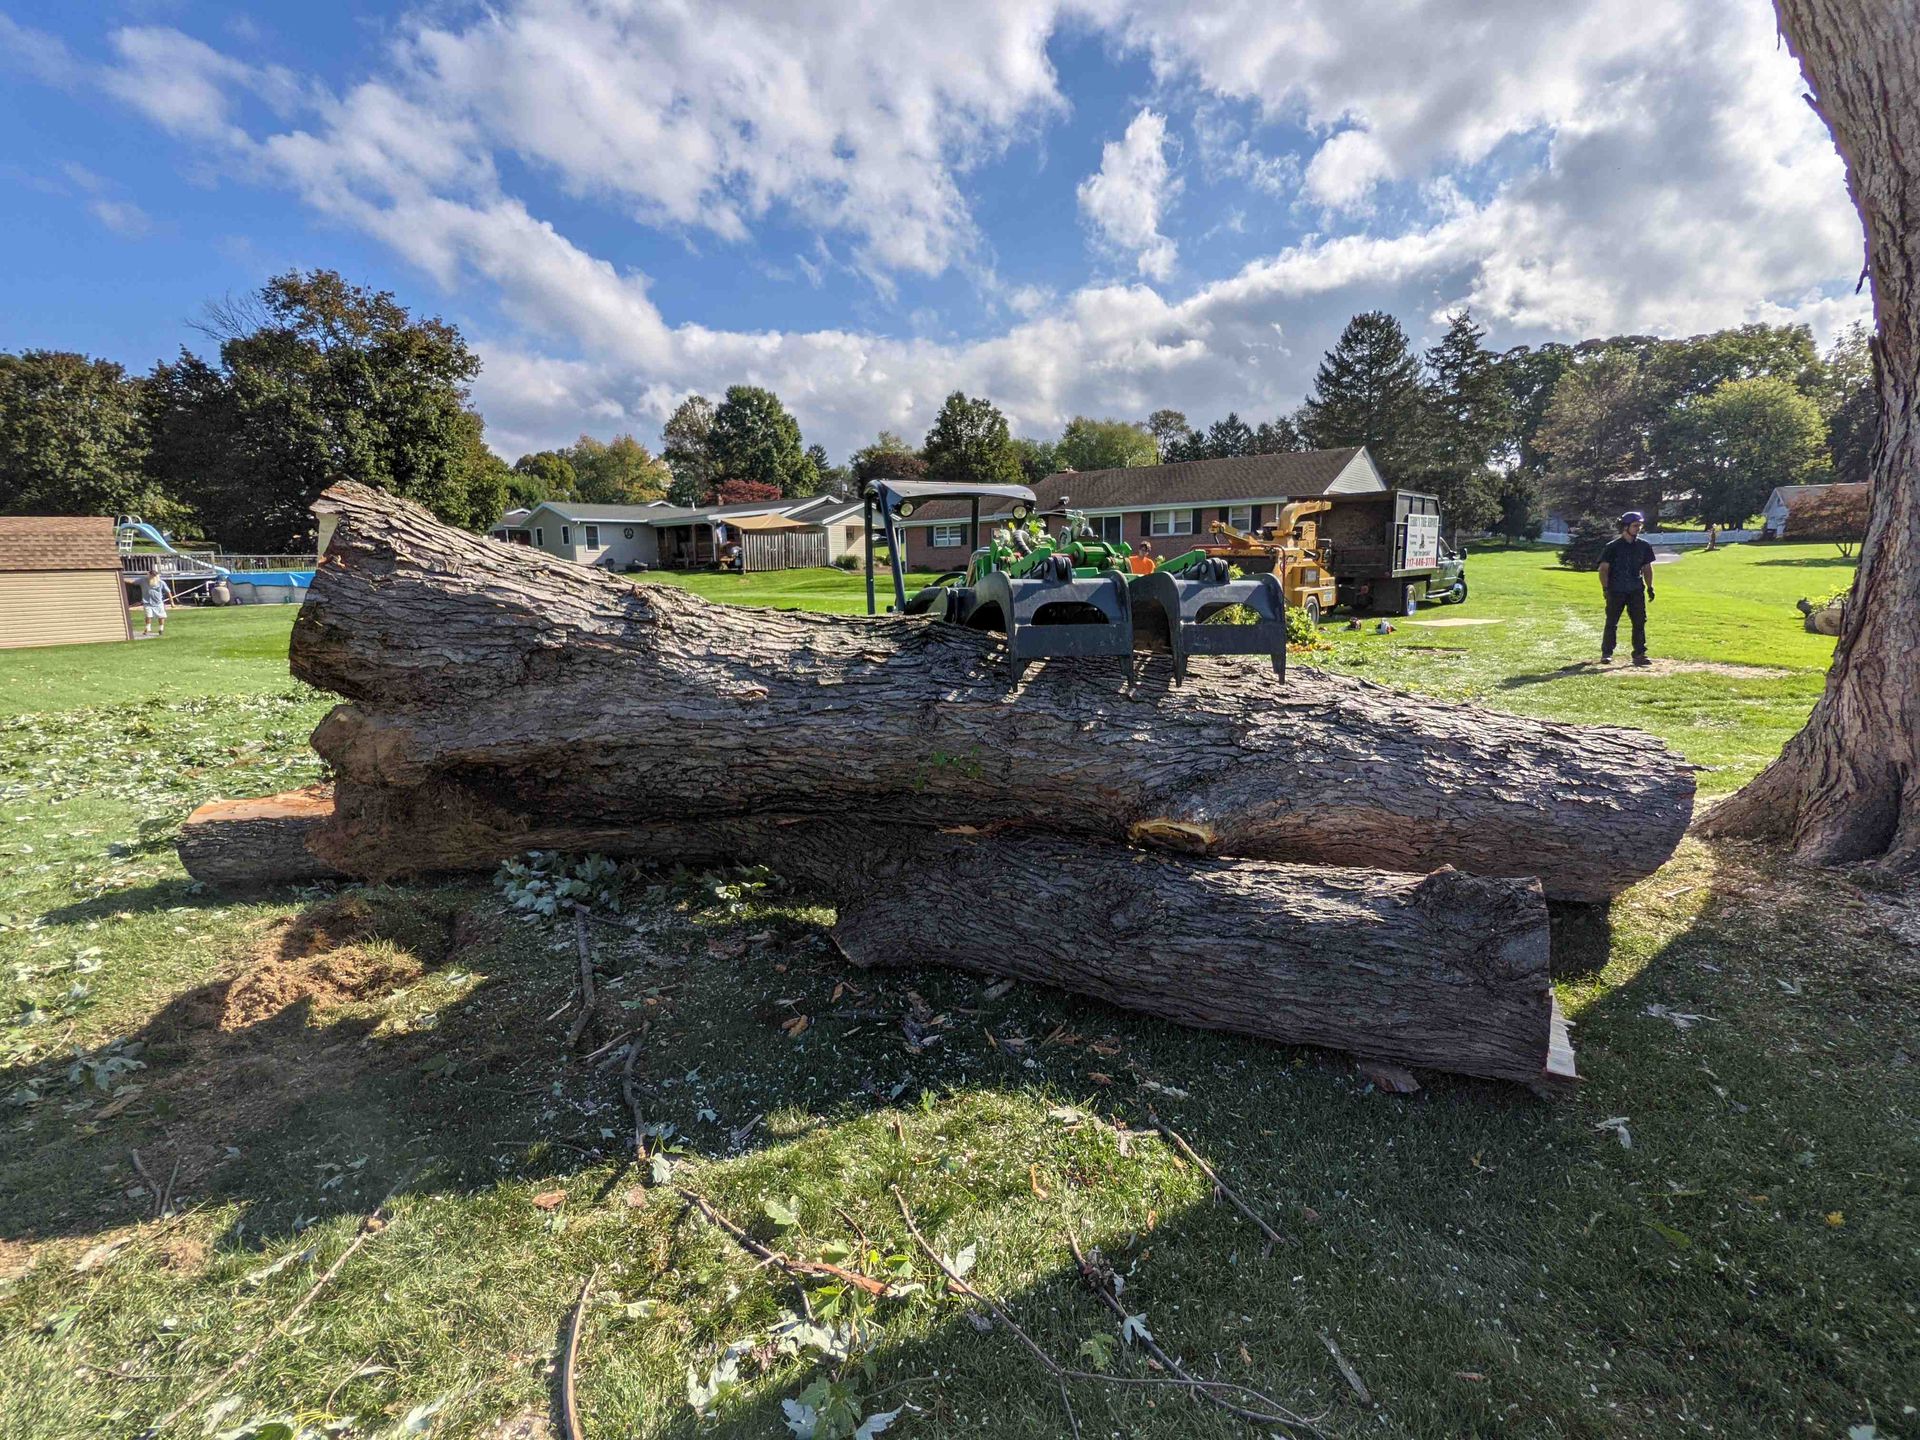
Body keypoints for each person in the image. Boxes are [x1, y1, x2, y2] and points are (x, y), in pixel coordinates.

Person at [1596, 510, 1656, 665]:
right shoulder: (1612, 547)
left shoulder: (1644, 546)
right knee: (1612, 622)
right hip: (1616, 590)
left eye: (1640, 526)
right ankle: (1607, 653)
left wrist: (1650, 587)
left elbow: (1647, 568)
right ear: (1625, 527)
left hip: (1636, 590)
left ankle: (1639, 654)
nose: (1638, 528)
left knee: (1639, 622)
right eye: (1635, 525)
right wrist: (1605, 588)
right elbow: (1603, 569)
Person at [139, 573, 172, 638]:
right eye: (151, 575)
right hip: (147, 603)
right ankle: (148, 628)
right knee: (148, 616)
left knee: (161, 616)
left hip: (158, 603)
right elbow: (133, 581)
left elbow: (168, 592)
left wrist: (172, 602)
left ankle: (161, 629)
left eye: (154, 575)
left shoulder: (161, 583)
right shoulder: (144, 581)